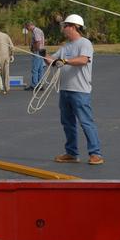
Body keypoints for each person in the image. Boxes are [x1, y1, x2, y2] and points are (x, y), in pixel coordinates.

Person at [49, 14, 103, 165]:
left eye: (65, 26)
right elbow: (52, 60)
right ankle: (71, 153)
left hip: (80, 90)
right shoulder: (65, 47)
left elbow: (83, 60)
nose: (63, 29)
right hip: (65, 90)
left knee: (86, 122)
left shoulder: (84, 43)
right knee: (68, 123)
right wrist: (42, 55)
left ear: (73, 27)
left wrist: (64, 61)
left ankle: (95, 153)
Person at [23, 20, 46, 90]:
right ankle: (40, 85)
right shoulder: (37, 30)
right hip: (41, 51)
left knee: (35, 69)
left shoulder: (36, 31)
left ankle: (34, 85)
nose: (27, 29)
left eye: (27, 27)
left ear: (29, 25)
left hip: (38, 52)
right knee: (40, 69)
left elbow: (38, 41)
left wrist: (35, 49)